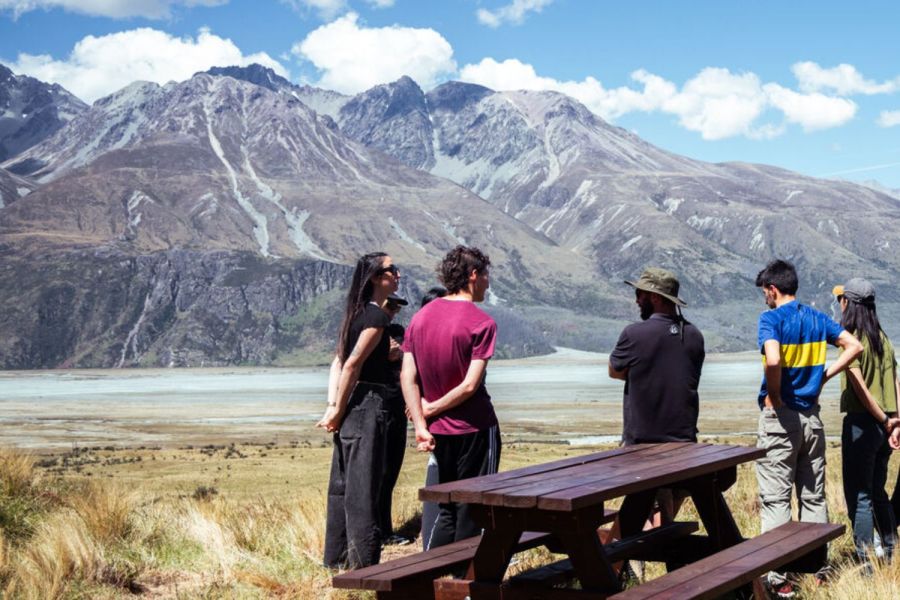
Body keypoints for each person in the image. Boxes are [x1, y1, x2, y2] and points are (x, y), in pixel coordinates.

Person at [754, 259, 863, 596]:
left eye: (764, 293)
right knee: (813, 496)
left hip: (780, 419)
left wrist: (774, 394)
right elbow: (854, 346)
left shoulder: (770, 319)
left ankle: (778, 576)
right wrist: (825, 376)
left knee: (776, 500)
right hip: (812, 418)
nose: (765, 299)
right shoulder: (816, 318)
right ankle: (817, 569)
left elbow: (773, 359)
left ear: (773, 289)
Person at [401, 247, 500, 551]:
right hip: (475, 429)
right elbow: (470, 386)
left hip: (437, 431)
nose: (487, 282)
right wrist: (431, 407)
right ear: (473, 275)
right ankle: (464, 583)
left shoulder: (420, 319)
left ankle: (432, 577)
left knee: (445, 508)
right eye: (485, 276)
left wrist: (421, 422)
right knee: (472, 509)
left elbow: (407, 376)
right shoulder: (481, 323)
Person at [317, 252, 401, 569]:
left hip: (352, 405)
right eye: (392, 270)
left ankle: (335, 560)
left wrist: (334, 407)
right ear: (377, 278)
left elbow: (338, 362)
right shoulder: (377, 318)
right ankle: (364, 567)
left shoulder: (353, 315)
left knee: (342, 486)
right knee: (364, 487)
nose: (398, 275)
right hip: (369, 404)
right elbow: (351, 364)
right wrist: (336, 409)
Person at [608, 267, 705, 525]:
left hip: (641, 442)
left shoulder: (634, 333)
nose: (637, 299)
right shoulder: (694, 335)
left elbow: (615, 371)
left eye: (641, 293)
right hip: (684, 442)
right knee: (664, 508)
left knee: (638, 507)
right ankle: (658, 554)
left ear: (657, 297)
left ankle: (617, 562)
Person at [833, 278, 899, 569]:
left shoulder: (851, 340)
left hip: (864, 423)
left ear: (850, 303)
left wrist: (884, 419)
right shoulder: (883, 339)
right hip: (886, 427)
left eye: (841, 300)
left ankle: (866, 563)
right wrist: (896, 422)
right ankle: (890, 552)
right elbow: (896, 382)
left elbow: (858, 387)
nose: (840, 305)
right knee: (878, 491)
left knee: (859, 496)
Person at [415, 286, 447, 550]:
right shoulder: (421, 340)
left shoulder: (419, 339)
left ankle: (437, 548)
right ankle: (433, 550)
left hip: (434, 417)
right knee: (440, 482)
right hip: (441, 421)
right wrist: (423, 417)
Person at [378, 293, 411, 546]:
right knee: (377, 473)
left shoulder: (396, 330)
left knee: (389, 472)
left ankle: (384, 529)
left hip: (397, 407)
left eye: (396, 308)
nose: (393, 312)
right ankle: (378, 530)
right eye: (390, 306)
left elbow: (402, 355)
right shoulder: (368, 329)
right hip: (378, 408)